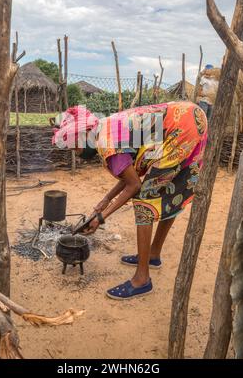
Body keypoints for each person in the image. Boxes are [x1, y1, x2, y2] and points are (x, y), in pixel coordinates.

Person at [52, 101, 207, 300]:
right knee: (168, 191)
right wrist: (106, 200)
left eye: (75, 149)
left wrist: (101, 217)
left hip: (182, 129)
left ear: (83, 138)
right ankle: (153, 255)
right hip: (189, 117)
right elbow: (131, 175)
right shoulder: (106, 127)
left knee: (144, 201)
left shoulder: (105, 142)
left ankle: (142, 279)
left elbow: (134, 186)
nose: (77, 154)